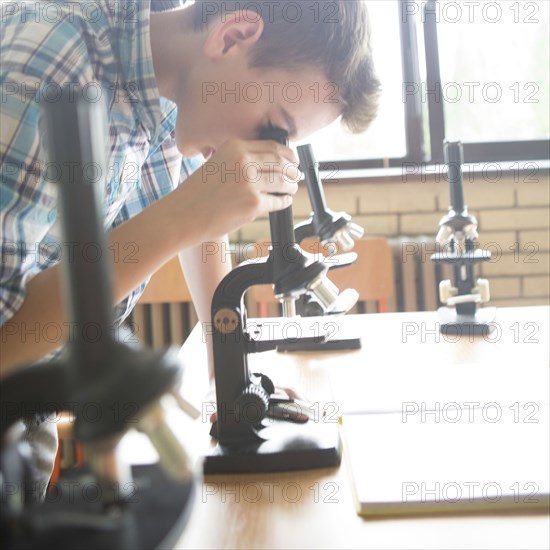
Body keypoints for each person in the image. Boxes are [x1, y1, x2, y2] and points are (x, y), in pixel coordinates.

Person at [0, 0, 381, 496]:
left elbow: (200, 219)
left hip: (26, 414)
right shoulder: (52, 59)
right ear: (231, 37)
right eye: (273, 125)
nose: (269, 152)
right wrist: (181, 216)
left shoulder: (168, 80)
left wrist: (224, 369)